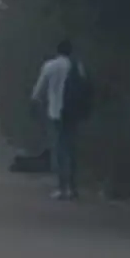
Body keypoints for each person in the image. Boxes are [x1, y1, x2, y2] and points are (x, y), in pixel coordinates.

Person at [31, 39, 88, 200]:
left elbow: (38, 90)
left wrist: (36, 103)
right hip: (73, 112)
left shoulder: (50, 66)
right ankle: (73, 187)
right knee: (72, 148)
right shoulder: (78, 66)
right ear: (71, 51)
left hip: (56, 112)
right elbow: (85, 88)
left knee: (59, 149)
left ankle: (61, 188)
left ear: (57, 51)